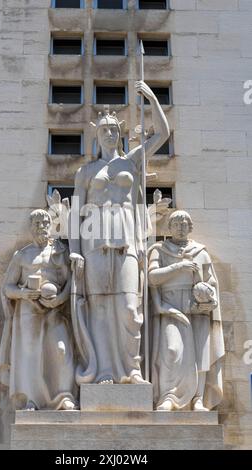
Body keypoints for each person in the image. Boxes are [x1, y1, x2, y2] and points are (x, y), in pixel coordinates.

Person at [69, 81, 170, 385]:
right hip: (94, 242)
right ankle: (104, 372)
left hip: (127, 241)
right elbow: (75, 214)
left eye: (114, 130)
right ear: (97, 135)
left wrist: (151, 98)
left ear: (121, 134)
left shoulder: (132, 161)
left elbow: (163, 134)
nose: (110, 134)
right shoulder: (85, 173)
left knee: (129, 307)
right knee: (100, 307)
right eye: (104, 130)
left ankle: (132, 370)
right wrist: (74, 249)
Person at [0, 209, 77, 411]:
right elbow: (8, 288)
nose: (41, 227)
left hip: (55, 309)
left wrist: (60, 299)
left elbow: (71, 283)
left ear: (51, 226)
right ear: (31, 228)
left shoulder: (60, 252)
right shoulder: (22, 256)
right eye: (37, 224)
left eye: (45, 223)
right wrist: (24, 294)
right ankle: (32, 399)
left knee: (61, 350)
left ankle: (64, 396)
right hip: (28, 310)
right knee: (30, 355)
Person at [148, 210, 225, 411]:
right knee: (171, 350)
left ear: (190, 227)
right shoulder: (159, 249)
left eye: (185, 224)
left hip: (196, 307)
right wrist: (179, 267)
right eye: (176, 223)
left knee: (201, 355)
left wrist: (209, 299)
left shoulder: (201, 251)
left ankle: (198, 398)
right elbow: (153, 277)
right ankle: (168, 396)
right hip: (170, 306)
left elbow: (211, 282)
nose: (181, 227)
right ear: (169, 227)